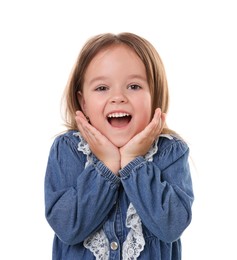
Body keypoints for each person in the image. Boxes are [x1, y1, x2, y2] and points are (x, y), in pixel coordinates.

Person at [44, 32, 194, 260]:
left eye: (133, 86)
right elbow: (68, 227)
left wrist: (134, 161)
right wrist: (106, 166)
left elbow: (172, 225)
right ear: (83, 101)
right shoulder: (68, 150)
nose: (118, 97)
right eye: (102, 88)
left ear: (154, 97)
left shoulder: (170, 152)